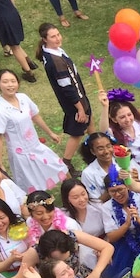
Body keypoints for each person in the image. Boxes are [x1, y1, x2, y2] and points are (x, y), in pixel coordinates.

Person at [0, 69, 67, 191]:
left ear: (18, 83)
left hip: (36, 145)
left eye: (13, 81)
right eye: (5, 82)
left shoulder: (23, 98)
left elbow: (35, 116)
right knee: (33, 185)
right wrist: (0, 163)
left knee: (60, 167)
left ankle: (71, 191)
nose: (10, 85)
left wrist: (50, 133)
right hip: (21, 154)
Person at [36, 23, 91, 178]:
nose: (58, 38)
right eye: (53, 36)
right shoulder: (55, 60)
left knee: (90, 125)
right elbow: (66, 87)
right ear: (44, 39)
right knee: (77, 133)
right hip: (75, 102)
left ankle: (98, 149)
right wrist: (79, 108)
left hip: (80, 98)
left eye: (58, 34)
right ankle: (66, 164)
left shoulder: (55, 52)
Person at [0, 0, 37, 82]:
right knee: (15, 42)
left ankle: (29, 73)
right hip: (12, 13)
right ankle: (29, 61)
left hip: (1, 18)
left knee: (14, 47)